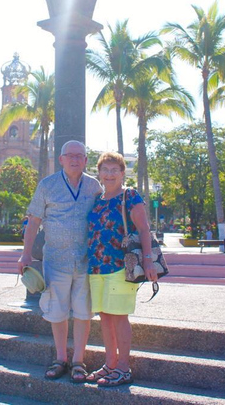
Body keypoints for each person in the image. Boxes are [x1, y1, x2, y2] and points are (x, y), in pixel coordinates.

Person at [17, 140, 102, 383]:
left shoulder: (94, 186)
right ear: (61, 159)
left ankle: (78, 361)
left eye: (80, 155)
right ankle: (61, 358)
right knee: (57, 311)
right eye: (70, 155)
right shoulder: (48, 185)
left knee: (84, 312)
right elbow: (33, 220)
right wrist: (26, 254)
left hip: (86, 261)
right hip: (55, 260)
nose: (75, 159)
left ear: (86, 160)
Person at [85, 152, 157, 387]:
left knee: (118, 317)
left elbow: (144, 229)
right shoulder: (98, 199)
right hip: (96, 266)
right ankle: (110, 363)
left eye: (114, 169)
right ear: (99, 173)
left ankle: (123, 368)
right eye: (105, 169)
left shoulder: (130, 196)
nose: (109, 174)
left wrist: (148, 261)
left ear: (122, 172)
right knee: (105, 317)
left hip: (120, 266)